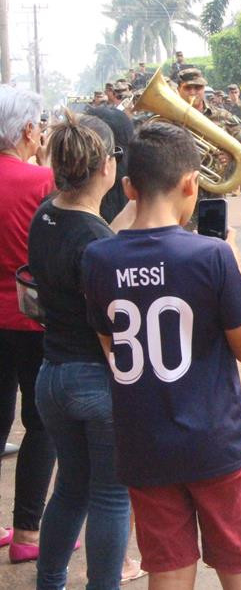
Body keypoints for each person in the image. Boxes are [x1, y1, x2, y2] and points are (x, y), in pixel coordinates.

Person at [81, 121, 241, 590]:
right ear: (191, 184)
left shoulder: (97, 259)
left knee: (165, 569)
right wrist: (234, 263)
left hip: (145, 442)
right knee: (240, 566)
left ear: (127, 188)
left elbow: (112, 351)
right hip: (215, 441)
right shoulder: (211, 256)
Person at [28, 113, 140, 587]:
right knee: (112, 496)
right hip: (94, 379)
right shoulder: (95, 243)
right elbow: (110, 330)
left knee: (70, 489)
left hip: (51, 375)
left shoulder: (48, 213)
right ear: (107, 168)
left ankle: (49, 580)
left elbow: (92, 238)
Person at [0, 85, 57, 564]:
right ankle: (27, 534)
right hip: (34, 321)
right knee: (40, 426)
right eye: (38, 126)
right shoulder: (42, 183)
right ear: (25, 131)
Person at [175, 68, 241, 226]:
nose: (193, 92)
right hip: (179, 193)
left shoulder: (221, 116)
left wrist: (232, 153)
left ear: (204, 89)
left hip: (212, 193)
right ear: (179, 89)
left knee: (213, 240)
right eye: (187, 88)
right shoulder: (168, 118)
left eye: (197, 88)